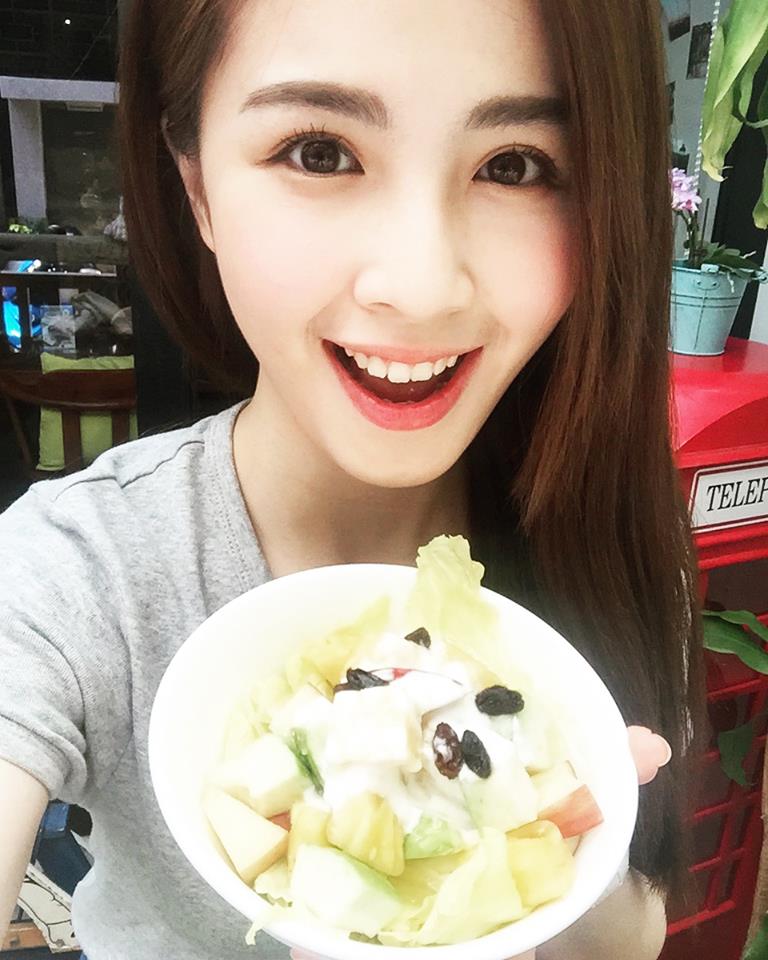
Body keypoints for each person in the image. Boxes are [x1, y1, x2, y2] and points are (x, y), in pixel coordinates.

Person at [0, 0, 704, 958]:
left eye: (515, 166)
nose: (420, 286)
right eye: (320, 152)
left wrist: (565, 842)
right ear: (197, 187)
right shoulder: (76, 575)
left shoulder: (605, 537)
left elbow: (632, 936)